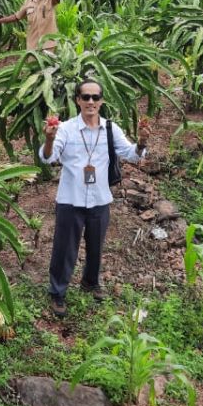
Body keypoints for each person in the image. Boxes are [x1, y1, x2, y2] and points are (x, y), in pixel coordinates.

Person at [39, 79, 151, 317]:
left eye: (95, 97)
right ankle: (57, 292)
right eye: (86, 97)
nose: (91, 102)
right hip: (71, 199)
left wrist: (141, 142)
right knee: (65, 248)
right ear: (78, 100)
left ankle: (90, 282)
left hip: (100, 198)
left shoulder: (111, 128)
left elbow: (131, 154)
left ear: (101, 101)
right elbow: (48, 158)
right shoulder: (67, 129)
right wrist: (49, 139)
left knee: (96, 246)